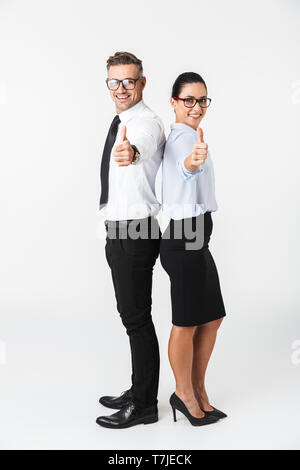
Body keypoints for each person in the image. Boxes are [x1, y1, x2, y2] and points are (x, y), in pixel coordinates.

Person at [96, 52, 165, 429]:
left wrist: (130, 151)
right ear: (108, 83)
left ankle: (143, 406)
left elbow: (139, 146)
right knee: (132, 318)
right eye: (114, 82)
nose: (122, 89)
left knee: (137, 320)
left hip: (135, 230)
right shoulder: (121, 120)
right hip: (120, 229)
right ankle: (140, 391)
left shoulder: (146, 124)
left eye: (129, 81)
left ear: (142, 82)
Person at [160, 72, 227, 426]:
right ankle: (183, 393)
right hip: (183, 238)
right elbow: (185, 169)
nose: (197, 107)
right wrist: (193, 162)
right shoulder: (181, 142)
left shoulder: (192, 136)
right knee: (186, 322)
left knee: (212, 317)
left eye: (202, 100)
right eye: (189, 100)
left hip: (197, 236)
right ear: (174, 102)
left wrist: (196, 159)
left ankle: (198, 388)